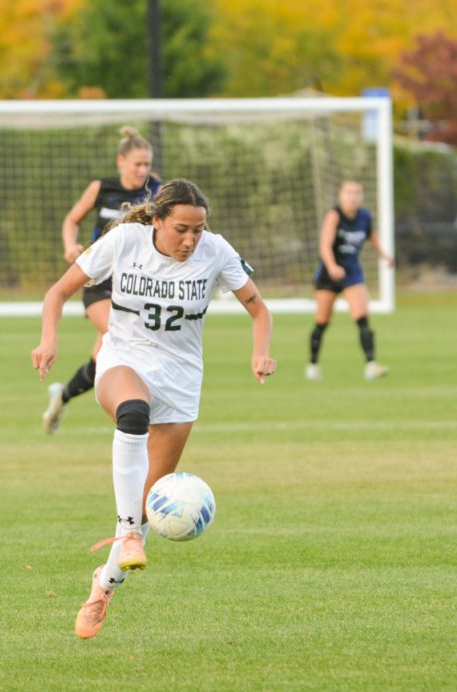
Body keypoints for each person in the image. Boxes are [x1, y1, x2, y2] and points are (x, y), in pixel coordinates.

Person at [31, 179, 276, 639]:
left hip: (181, 384)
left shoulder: (217, 252)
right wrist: (49, 339)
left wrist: (260, 352)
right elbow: (57, 293)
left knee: (148, 505)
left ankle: (103, 587)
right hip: (125, 360)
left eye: (198, 230)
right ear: (158, 221)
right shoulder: (124, 241)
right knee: (132, 414)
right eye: (181, 229)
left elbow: (260, 310)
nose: (190, 240)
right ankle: (124, 530)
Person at [42, 126, 162, 434]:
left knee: (101, 359)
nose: (143, 170)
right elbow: (72, 219)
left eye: (147, 164)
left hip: (134, 283)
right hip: (99, 280)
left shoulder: (156, 190)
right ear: (120, 160)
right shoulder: (101, 188)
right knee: (122, 336)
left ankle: (63, 395)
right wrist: (71, 245)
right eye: (137, 163)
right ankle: (132, 415)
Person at [306, 179, 394, 381]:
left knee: (362, 318)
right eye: (348, 192)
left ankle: (371, 365)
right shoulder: (334, 216)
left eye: (357, 192)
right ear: (341, 195)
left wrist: (385, 256)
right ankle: (313, 364)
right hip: (329, 274)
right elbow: (325, 246)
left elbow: (372, 237)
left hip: (352, 272)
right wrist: (332, 266)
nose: (352, 196)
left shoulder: (364, 217)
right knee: (322, 321)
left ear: (361, 196)